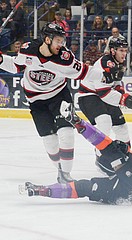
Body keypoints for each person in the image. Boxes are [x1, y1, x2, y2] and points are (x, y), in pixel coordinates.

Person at [0, 23, 93, 183]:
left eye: (63, 41)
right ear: (48, 39)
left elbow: (84, 71)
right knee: (50, 141)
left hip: (59, 95)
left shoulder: (65, 57)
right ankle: (60, 171)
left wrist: (107, 76)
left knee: (67, 133)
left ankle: (66, 175)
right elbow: (15, 66)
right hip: (36, 100)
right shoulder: (28, 50)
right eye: (58, 40)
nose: (61, 44)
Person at [78, 38, 132, 147]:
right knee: (104, 122)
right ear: (113, 50)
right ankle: (101, 154)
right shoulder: (105, 63)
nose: (124, 54)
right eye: (121, 50)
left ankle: (126, 153)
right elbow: (103, 93)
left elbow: (116, 84)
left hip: (103, 95)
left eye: (126, 51)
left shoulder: (119, 62)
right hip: (88, 96)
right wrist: (124, 100)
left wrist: (124, 96)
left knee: (122, 127)